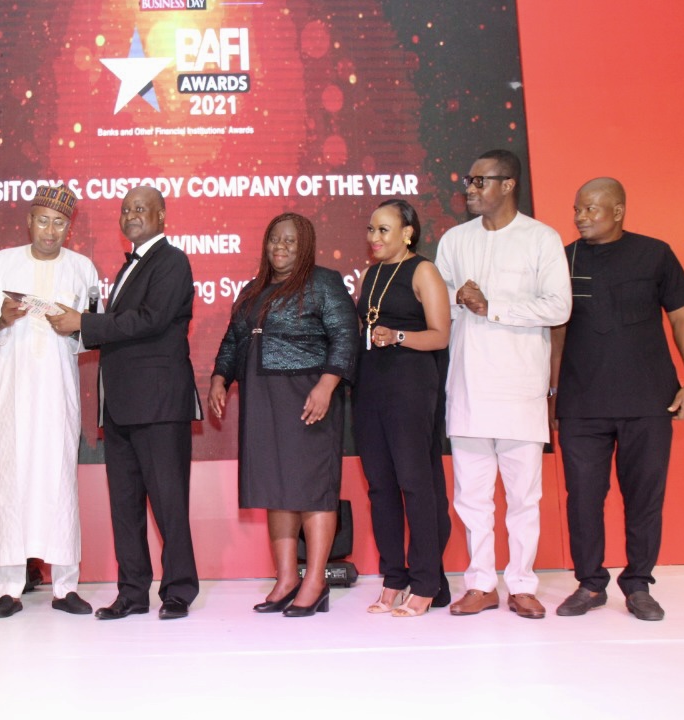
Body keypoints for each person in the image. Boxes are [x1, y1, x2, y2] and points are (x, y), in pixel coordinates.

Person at [47, 186, 201, 621]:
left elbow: (150, 320)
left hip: (159, 406)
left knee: (169, 504)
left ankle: (178, 591)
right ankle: (132, 593)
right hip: (120, 408)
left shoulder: (172, 261)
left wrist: (84, 322)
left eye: (141, 209)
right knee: (125, 506)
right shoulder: (129, 266)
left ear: (162, 216)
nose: (131, 215)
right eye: (126, 209)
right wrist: (81, 324)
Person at [551, 178, 684, 621]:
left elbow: (682, 320)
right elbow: (555, 335)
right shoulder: (563, 259)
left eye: (591, 209)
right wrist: (552, 394)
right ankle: (590, 584)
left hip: (648, 400)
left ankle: (638, 585)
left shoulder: (655, 254)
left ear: (618, 211)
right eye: (577, 209)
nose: (580, 217)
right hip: (581, 403)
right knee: (582, 498)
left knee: (644, 498)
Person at [434, 149, 572, 619]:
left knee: (523, 497)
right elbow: (437, 304)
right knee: (471, 497)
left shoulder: (541, 238)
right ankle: (479, 583)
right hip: (468, 387)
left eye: (480, 181)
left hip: (519, 389)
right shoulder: (455, 240)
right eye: (469, 181)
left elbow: (559, 307)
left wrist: (492, 307)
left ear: (509, 184)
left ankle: (522, 584)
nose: (470, 189)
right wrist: (458, 300)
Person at [210, 212, 357, 617]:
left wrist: (326, 385)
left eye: (290, 240)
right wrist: (220, 377)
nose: (281, 246)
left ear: (305, 245)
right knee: (275, 487)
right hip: (261, 397)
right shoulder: (252, 289)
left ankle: (316, 581)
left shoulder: (324, 282)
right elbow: (233, 339)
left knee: (311, 487)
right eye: (275, 239)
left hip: (307, 395)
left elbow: (346, 336)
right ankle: (287, 578)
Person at [0, 185, 99, 618]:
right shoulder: (3, 263)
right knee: (10, 481)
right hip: (12, 393)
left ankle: (66, 587)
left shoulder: (82, 269)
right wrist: (1, 319)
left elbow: (94, 330)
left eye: (59, 223)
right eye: (43, 220)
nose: (50, 230)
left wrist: (75, 327)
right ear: (29, 221)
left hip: (58, 394)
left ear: (69, 227)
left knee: (58, 482)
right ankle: (9, 588)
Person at [353, 199, 452, 617]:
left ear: (408, 233)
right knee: (380, 487)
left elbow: (441, 335)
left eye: (383, 230)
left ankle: (426, 582)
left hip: (411, 386)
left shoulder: (423, 271)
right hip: (370, 387)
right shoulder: (370, 275)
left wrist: (397, 337)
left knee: (415, 483)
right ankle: (394, 577)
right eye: (371, 230)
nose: (374, 238)